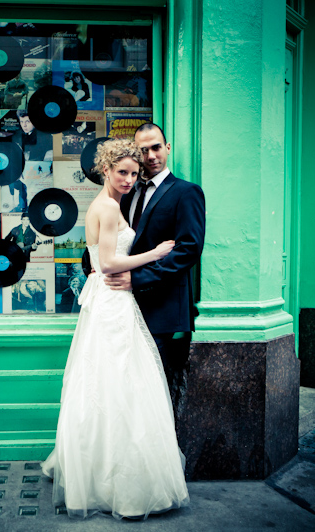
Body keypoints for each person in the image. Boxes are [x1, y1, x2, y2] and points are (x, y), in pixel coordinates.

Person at [41, 139, 188, 518]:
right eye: (121, 172)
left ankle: (103, 469)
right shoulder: (106, 207)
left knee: (113, 382)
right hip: (110, 299)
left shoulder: (112, 204)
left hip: (113, 299)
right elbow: (106, 262)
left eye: (134, 174)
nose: (128, 179)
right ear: (105, 170)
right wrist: (155, 254)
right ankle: (115, 479)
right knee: (116, 380)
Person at [105, 123, 205, 419]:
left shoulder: (186, 192)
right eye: (143, 150)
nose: (150, 156)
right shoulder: (127, 192)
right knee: (126, 390)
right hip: (122, 309)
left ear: (168, 148)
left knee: (155, 396)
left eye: (156, 148)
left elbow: (188, 249)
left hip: (163, 312)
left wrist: (136, 280)